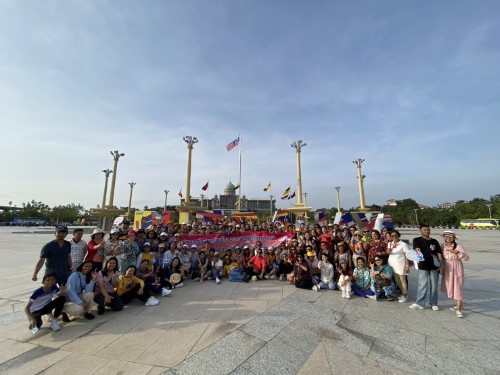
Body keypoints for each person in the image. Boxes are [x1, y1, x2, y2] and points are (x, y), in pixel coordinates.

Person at [409, 224, 444, 311]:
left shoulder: (434, 241)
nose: (427, 231)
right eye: (425, 230)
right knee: (422, 284)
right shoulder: (417, 240)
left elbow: (439, 254)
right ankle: (420, 303)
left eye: (428, 230)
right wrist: (418, 251)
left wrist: (442, 265)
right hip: (423, 266)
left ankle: (434, 303)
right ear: (420, 230)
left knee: (434, 285)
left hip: (434, 266)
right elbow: (416, 248)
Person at [441, 231, 469, 318]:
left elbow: (467, 257)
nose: (448, 238)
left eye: (451, 237)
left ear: (454, 238)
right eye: (446, 237)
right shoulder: (442, 246)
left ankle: (458, 310)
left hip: (457, 269)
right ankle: (460, 305)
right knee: (451, 287)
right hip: (448, 269)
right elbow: (440, 257)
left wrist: (457, 252)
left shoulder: (458, 247)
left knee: (458, 287)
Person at [387, 230, 410, 303]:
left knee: (402, 280)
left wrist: (407, 266)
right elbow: (388, 252)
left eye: (395, 235)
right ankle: (404, 292)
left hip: (400, 264)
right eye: (392, 236)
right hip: (392, 264)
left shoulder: (403, 244)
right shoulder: (390, 243)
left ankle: (405, 296)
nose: (394, 237)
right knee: (397, 280)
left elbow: (407, 255)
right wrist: (389, 250)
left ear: (398, 236)